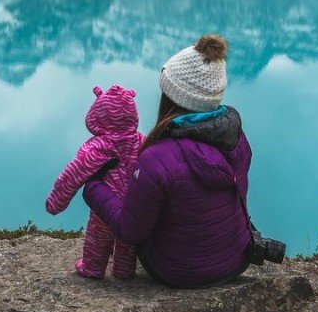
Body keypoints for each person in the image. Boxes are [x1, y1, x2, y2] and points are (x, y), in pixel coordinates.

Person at [83, 35, 252, 288]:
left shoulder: (158, 157)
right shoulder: (236, 137)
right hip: (236, 260)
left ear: (171, 98)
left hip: (177, 271)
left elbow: (130, 231)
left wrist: (94, 187)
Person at [45, 85, 143, 279]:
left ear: (97, 115)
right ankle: (124, 271)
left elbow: (72, 175)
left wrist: (56, 202)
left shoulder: (98, 147)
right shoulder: (141, 140)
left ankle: (92, 268)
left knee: (98, 235)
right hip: (133, 203)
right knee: (127, 238)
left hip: (105, 205)